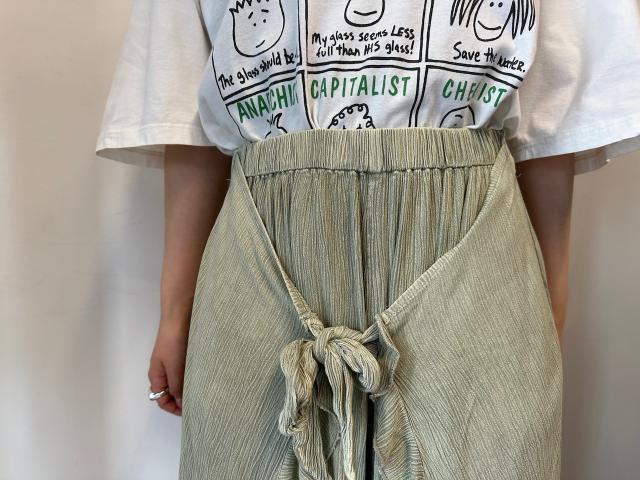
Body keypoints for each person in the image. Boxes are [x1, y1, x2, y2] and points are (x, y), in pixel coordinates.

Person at [96, 0, 640, 478]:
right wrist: (176, 313)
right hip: (264, 249)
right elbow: (183, 109)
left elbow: (553, 116)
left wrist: (550, 308)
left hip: (470, 242)